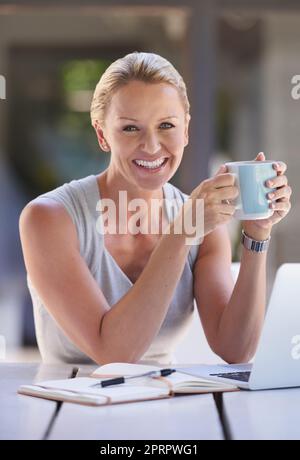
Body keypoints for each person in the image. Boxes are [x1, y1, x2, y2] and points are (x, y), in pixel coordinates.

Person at [19, 52, 292, 365]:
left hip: (164, 404)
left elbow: (236, 348)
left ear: (186, 130)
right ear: (101, 134)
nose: (151, 146)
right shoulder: (49, 219)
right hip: (68, 406)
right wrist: (181, 233)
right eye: (130, 128)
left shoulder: (201, 224)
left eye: (166, 125)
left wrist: (257, 235)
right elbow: (113, 353)